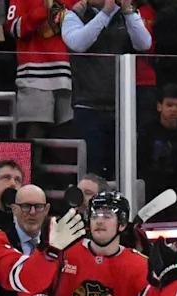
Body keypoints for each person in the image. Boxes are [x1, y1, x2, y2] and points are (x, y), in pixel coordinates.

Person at [62, 0, 152, 180]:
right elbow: (77, 43)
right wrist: (104, 14)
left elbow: (144, 43)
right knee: (92, 169)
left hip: (120, 108)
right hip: (87, 106)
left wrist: (127, 12)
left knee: (118, 170)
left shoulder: (126, 15)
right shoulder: (75, 15)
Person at [6, 0, 74, 138]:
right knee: (35, 130)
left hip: (68, 73)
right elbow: (13, 28)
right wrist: (43, 10)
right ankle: (28, 161)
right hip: (33, 72)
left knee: (67, 133)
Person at [137, 83, 177, 221]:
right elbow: (142, 163)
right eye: (169, 105)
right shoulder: (147, 131)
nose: (173, 110)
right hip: (152, 188)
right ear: (159, 106)